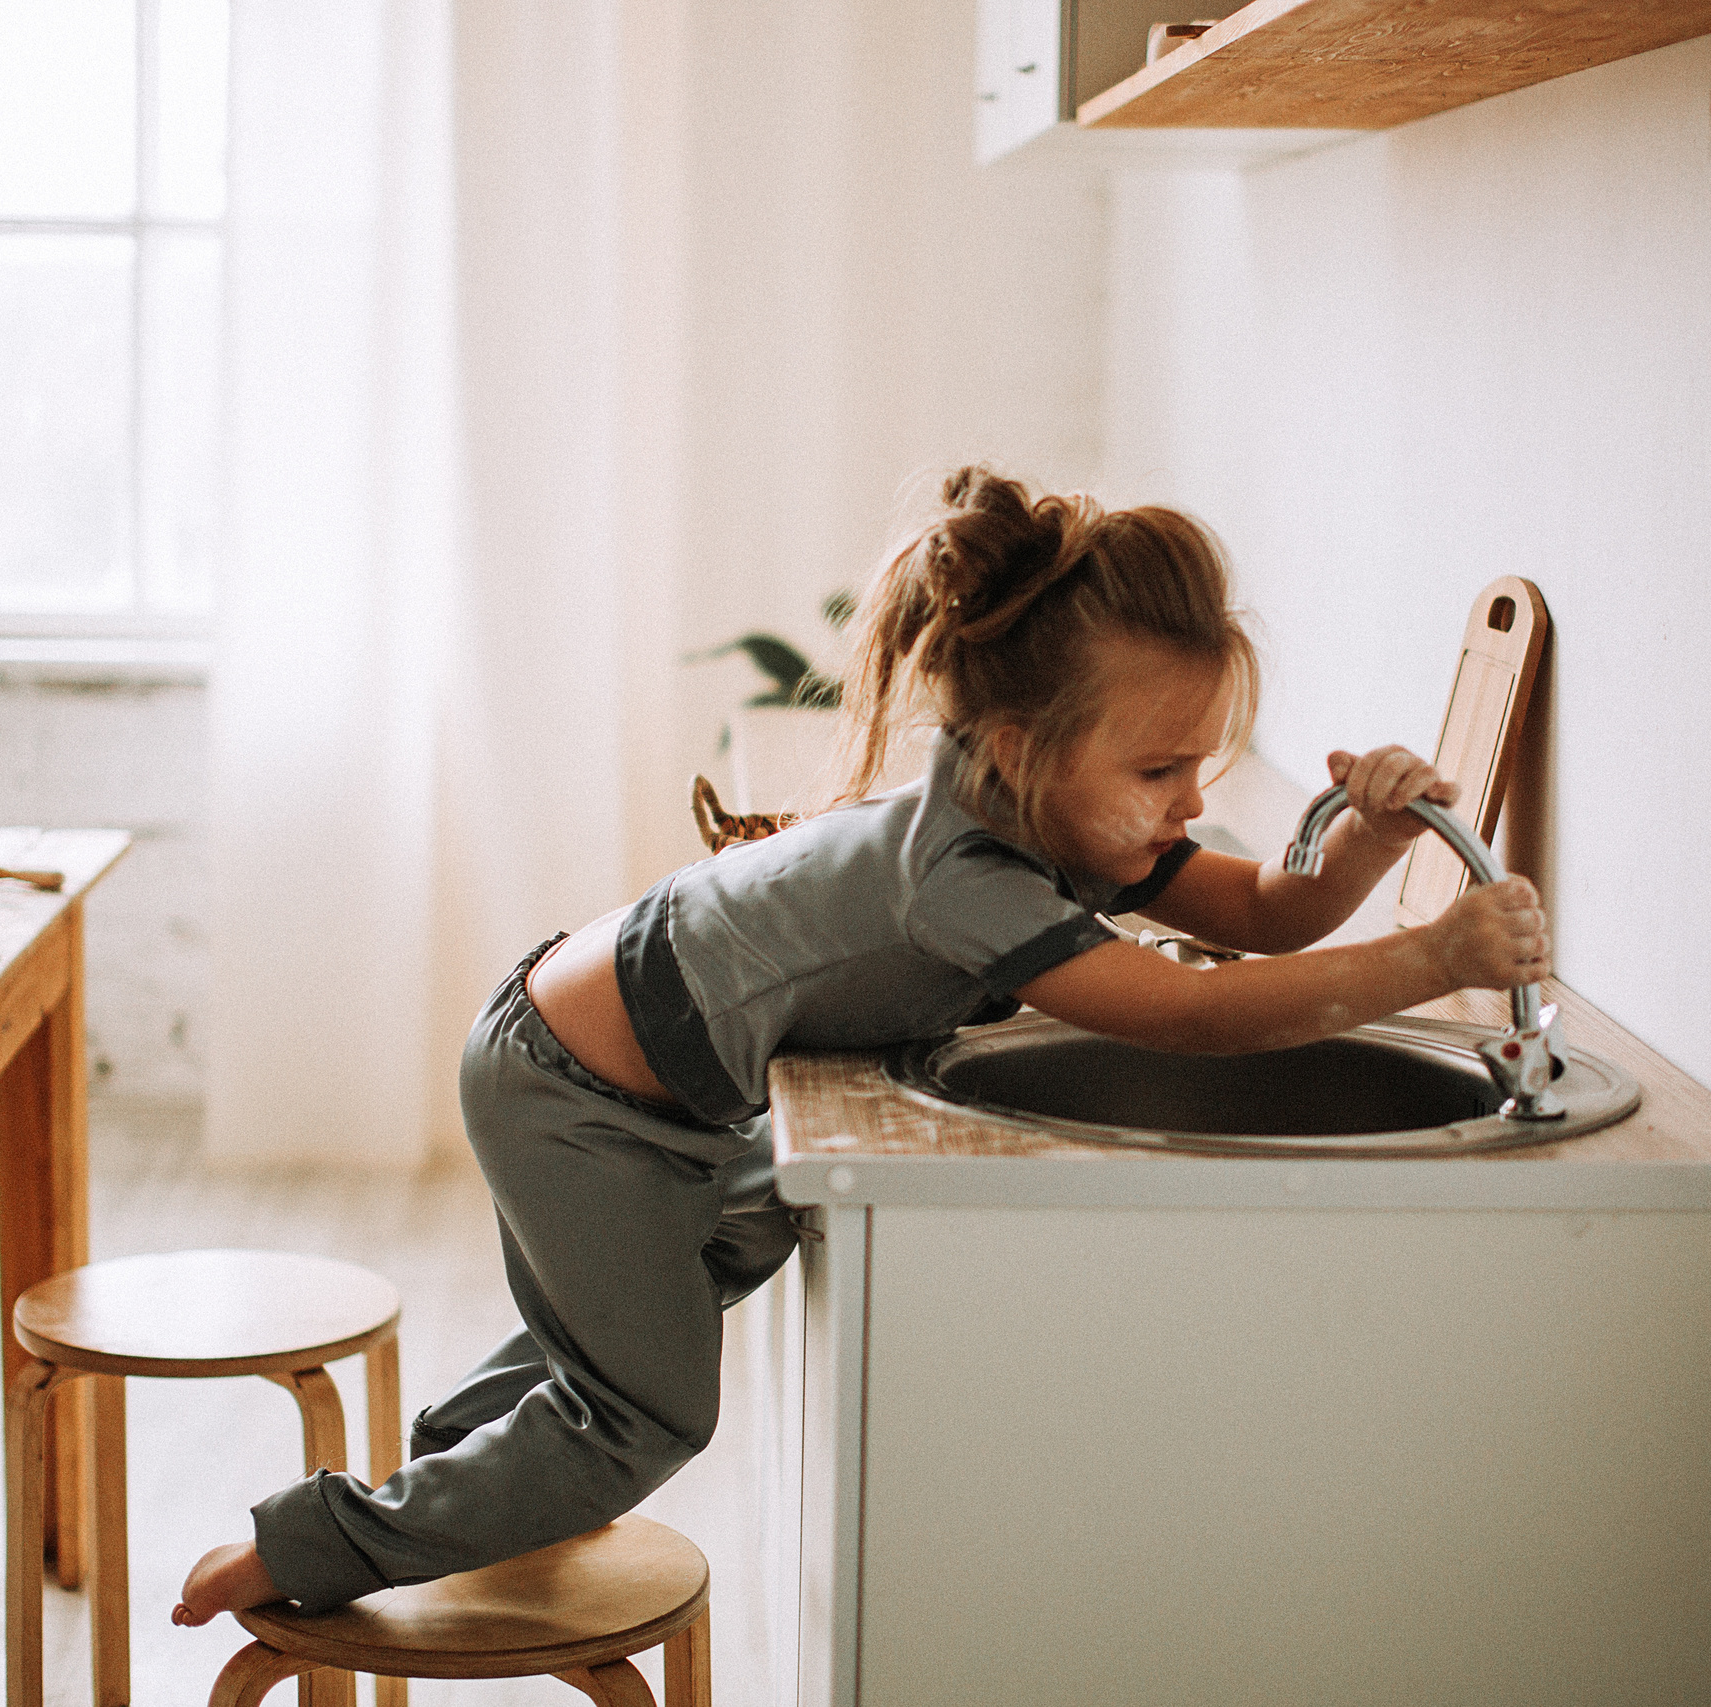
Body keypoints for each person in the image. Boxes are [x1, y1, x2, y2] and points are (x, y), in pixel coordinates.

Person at [174, 466, 1549, 1623]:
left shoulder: (1054, 813)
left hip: (614, 1063)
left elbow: (1262, 919)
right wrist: (1431, 956)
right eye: (1162, 770)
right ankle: (310, 1546)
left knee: (718, 1254)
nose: (1192, 801)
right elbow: (1193, 1017)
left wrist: (1363, 843)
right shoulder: (966, 876)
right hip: (572, 1092)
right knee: (647, 1419)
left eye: (1201, 764)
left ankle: (461, 1463)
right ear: (1017, 748)